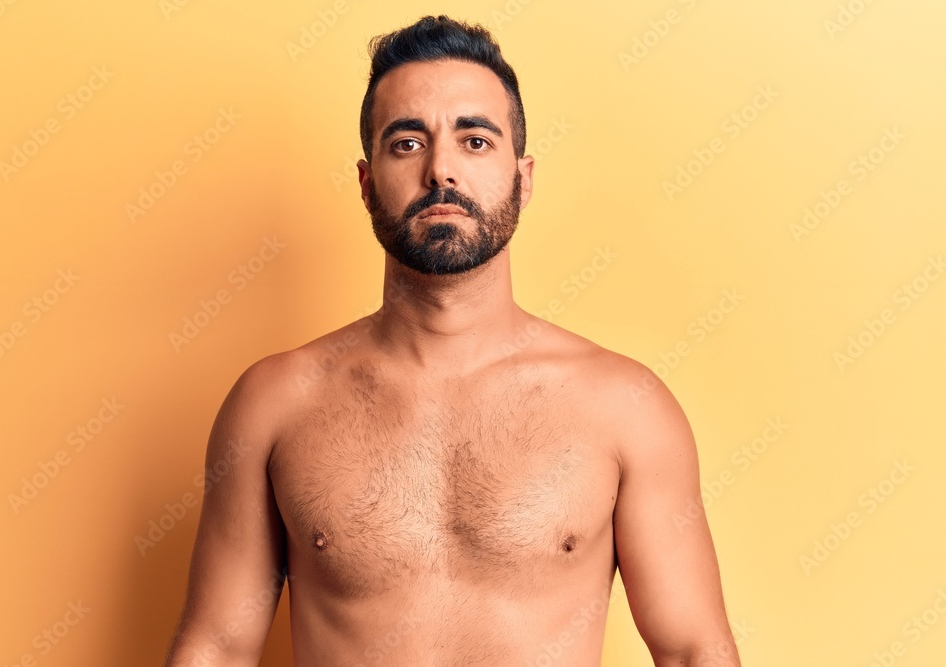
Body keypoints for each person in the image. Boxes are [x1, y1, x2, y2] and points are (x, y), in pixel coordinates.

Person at [165, 15, 740, 667]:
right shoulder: (274, 404)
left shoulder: (624, 407)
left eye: (474, 140)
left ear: (523, 178)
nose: (441, 170)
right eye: (407, 143)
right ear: (365, 182)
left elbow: (694, 649)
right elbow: (215, 646)